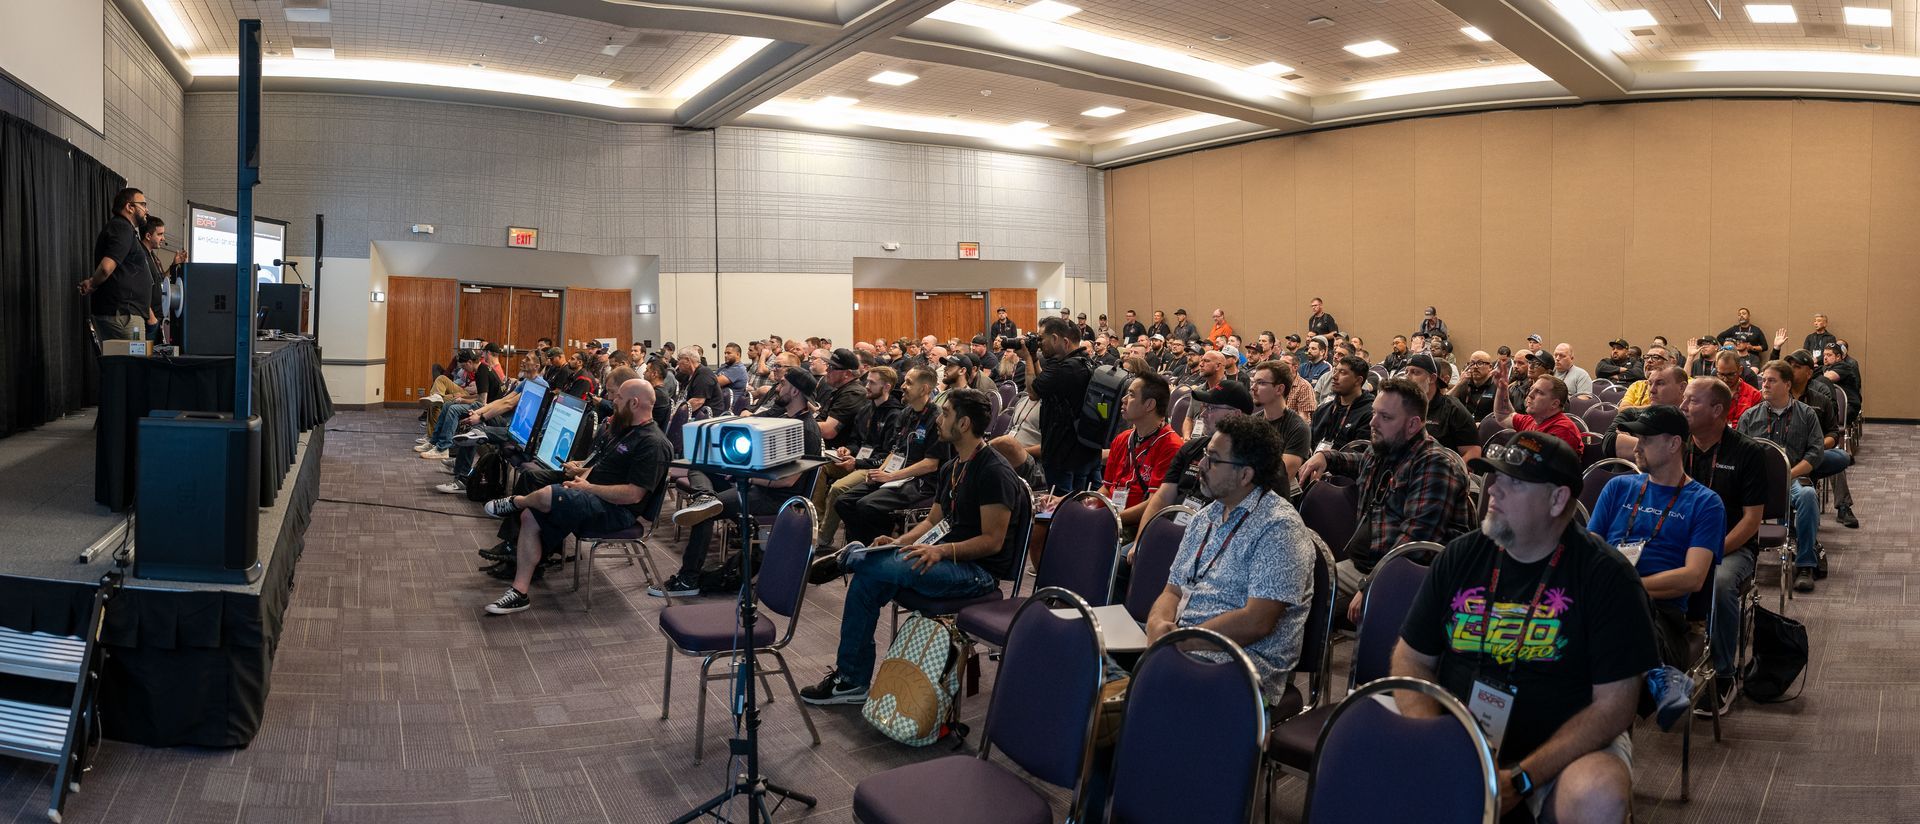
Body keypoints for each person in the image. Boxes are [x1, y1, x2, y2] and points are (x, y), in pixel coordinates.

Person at [1393, 430, 1659, 823]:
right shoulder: (1461, 555)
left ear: (1557, 499)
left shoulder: (1607, 576)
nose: (1493, 490)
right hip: (1459, 739)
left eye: (1514, 482)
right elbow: (1410, 659)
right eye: (1494, 477)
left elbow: (1615, 707)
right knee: (1362, 748)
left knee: (1599, 794)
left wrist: (1523, 778)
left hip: (1564, 749)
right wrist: (1438, 744)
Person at [801, 389, 1026, 705]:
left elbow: (993, 541)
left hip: (977, 573)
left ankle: (850, 559)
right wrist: (898, 542)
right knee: (868, 579)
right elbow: (932, 523)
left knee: (872, 567)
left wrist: (941, 551)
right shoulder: (952, 467)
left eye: (945, 413)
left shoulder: (993, 471)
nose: (938, 418)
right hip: (944, 559)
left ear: (963, 423)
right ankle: (851, 681)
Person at [1144, 414, 1316, 702]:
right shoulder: (1205, 517)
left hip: (1240, 666)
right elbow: (1172, 589)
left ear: (1245, 475)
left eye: (1213, 459)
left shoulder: (1279, 528)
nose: (1201, 466)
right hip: (1182, 650)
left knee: (1140, 700)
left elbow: (1257, 621)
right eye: (1204, 455)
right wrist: (1157, 626)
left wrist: (1179, 640)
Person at [479, 379, 673, 614]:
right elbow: (599, 467)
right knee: (530, 516)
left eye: (618, 398)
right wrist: (583, 477)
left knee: (551, 494)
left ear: (633, 403)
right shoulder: (624, 430)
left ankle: (514, 502)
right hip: (594, 496)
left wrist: (586, 488)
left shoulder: (652, 443)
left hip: (616, 511)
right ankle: (519, 592)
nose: (613, 402)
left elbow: (633, 495)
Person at [1299, 377, 1475, 622]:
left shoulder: (1434, 464)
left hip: (1412, 574)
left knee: (1299, 598)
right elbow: (1361, 462)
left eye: (1386, 417)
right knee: (1293, 584)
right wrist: (1328, 457)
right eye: (1374, 413)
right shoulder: (1386, 446)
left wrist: (1372, 584)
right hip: (1371, 563)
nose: (1373, 422)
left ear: (1413, 424)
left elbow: (1415, 541)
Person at [653, 367, 825, 597]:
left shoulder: (805, 429)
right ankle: (705, 496)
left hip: (775, 498)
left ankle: (688, 580)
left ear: (794, 391)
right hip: (757, 485)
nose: (778, 389)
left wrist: (744, 476)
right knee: (699, 463)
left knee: (703, 513)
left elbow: (789, 481)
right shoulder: (786, 418)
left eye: (782, 385)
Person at [1586, 405, 1724, 666]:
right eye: (1637, 439)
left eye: (1646, 440)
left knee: (1610, 640)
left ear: (1673, 444)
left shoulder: (1706, 503)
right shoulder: (1618, 487)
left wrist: (1625, 588)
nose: (1636, 447)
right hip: (1605, 600)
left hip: (1662, 616)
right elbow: (1589, 550)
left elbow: (1693, 578)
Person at [1677, 377, 1768, 715]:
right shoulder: (1677, 444)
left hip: (1732, 547)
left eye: (1692, 401)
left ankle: (1724, 673)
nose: (1683, 407)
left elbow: (1751, 521)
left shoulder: (1747, 452)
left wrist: (1710, 552)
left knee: (1719, 581)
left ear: (1717, 410)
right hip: (1679, 542)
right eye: (1684, 399)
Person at [1737, 361, 1825, 592]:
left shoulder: (1806, 415)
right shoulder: (1749, 416)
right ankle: (1741, 557)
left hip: (1793, 477)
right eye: (1763, 380)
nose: (1764, 385)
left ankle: (1805, 564)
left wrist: (1788, 474)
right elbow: (1738, 454)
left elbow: (1815, 453)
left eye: (1771, 380)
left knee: (1807, 496)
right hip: (1756, 480)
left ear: (1787, 384)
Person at [1099, 371, 1183, 532]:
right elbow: (1106, 488)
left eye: (1131, 395)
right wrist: (1081, 504)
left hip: (1137, 527)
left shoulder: (1171, 446)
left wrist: (1109, 517)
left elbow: (1155, 503)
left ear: (1149, 405)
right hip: (1110, 517)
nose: (1123, 400)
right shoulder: (1123, 438)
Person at [1783, 349, 1858, 529]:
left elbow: (1833, 433)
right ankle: (1798, 506)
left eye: (1796, 367)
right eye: (1789, 366)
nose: (1791, 370)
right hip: (1787, 453)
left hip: (1816, 449)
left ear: (1809, 372)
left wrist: (1815, 448)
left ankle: (1843, 506)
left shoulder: (1821, 394)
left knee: (1840, 457)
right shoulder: (1780, 395)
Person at [1030, 316, 1100, 493]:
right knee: (1081, 504)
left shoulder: (1065, 369)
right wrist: (1034, 358)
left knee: (1063, 509)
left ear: (1057, 339)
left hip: (1062, 454)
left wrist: (1026, 358)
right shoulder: (1084, 363)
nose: (1039, 344)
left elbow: (1033, 392)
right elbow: (1046, 385)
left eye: (1041, 339)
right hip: (1084, 450)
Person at [79, 187, 153, 342]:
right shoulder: (122, 228)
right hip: (123, 316)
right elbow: (106, 267)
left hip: (123, 314)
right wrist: (93, 282)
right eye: (143, 204)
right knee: (134, 365)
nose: (146, 210)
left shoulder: (123, 229)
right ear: (129, 207)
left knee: (122, 365)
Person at [1492, 367, 1583, 459]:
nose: (1530, 395)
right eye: (1531, 389)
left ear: (1554, 404)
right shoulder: (1532, 419)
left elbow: (1540, 466)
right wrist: (1502, 388)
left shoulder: (1563, 429)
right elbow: (1504, 416)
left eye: (1539, 392)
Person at [1405, 354, 1480, 461]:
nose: (1407, 377)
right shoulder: (1402, 407)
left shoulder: (1453, 409)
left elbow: (1473, 452)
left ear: (1432, 378)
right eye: (1406, 372)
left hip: (1440, 471)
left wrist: (1449, 473)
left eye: (1415, 372)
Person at [1309, 355, 1374, 451]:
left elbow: (1360, 456)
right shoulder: (1323, 410)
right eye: (1335, 371)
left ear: (1358, 380)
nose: (1334, 376)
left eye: (1342, 372)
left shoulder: (1370, 414)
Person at [816, 348, 870, 450]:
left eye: (832, 367)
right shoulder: (840, 390)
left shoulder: (853, 393)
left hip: (842, 454)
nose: (827, 370)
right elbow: (821, 418)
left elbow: (828, 431)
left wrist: (798, 424)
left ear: (847, 373)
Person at [1452, 351, 1500, 422]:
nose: (1475, 367)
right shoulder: (1463, 384)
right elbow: (1445, 403)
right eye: (1472, 363)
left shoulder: (1497, 388)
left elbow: (1503, 417)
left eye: (1480, 363)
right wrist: (1459, 384)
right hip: (1464, 428)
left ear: (1490, 367)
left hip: (1487, 429)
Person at [677, 350, 723, 414]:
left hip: (707, 417)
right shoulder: (688, 375)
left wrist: (678, 413)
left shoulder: (704, 374)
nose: (677, 363)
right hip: (695, 415)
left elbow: (698, 401)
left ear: (687, 360)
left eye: (679, 359)